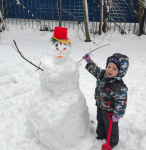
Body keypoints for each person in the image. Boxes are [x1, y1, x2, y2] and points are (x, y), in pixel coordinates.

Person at [82, 53, 129, 149]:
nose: (110, 70)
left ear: (120, 72)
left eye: (114, 69)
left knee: (111, 127)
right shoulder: (102, 75)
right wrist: (89, 61)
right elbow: (95, 70)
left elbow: (122, 101)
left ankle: (112, 141)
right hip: (100, 105)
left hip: (110, 112)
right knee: (100, 121)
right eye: (109, 66)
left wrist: (118, 114)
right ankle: (101, 135)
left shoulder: (119, 87)